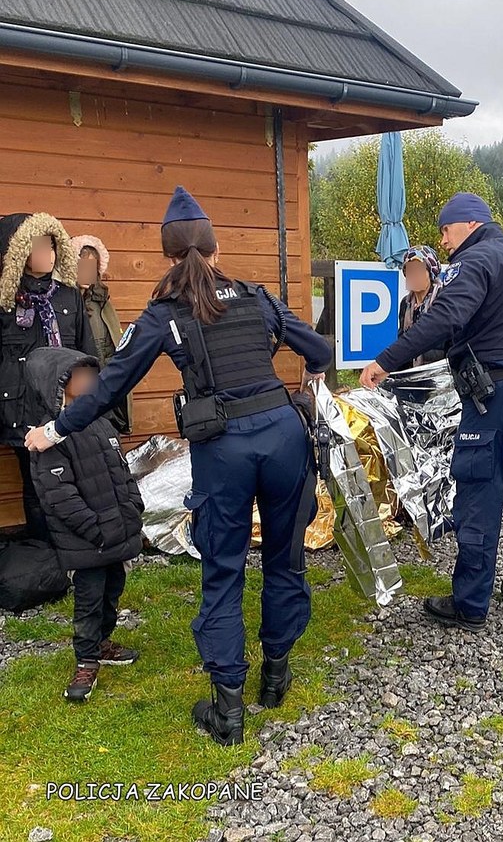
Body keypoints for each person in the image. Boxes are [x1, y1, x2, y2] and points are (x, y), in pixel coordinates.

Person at [26, 187, 332, 746]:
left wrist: (53, 430)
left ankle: (229, 709)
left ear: (169, 257)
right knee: (286, 559)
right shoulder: (255, 298)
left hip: (225, 448)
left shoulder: (163, 316)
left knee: (223, 570)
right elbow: (320, 350)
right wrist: (308, 377)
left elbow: (111, 385)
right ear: (215, 250)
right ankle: (276, 674)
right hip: (285, 436)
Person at [360, 192, 503, 631]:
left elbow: (444, 318)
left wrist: (386, 359)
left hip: (494, 393)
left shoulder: (476, 261)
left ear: (468, 224)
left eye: (446, 229)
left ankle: (470, 603)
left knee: (479, 492)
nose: (443, 240)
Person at [26, 348, 143, 702]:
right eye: (82, 376)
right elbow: (59, 498)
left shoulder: (102, 423)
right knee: (89, 600)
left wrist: (133, 508)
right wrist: (96, 529)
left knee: (113, 590)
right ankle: (86, 660)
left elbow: (121, 472)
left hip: (115, 535)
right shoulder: (49, 438)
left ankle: (103, 642)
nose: (92, 381)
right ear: (61, 384)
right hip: (88, 541)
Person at [0, 212, 96, 541]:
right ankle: (45, 551)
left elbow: (87, 351)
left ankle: (79, 548)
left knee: (76, 478)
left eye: (51, 245)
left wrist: (93, 399)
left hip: (68, 406)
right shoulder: (4, 301)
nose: (47, 252)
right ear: (18, 252)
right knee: (36, 483)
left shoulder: (67, 296)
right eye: (38, 245)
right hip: (21, 409)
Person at [71, 234, 132, 434]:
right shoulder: (66, 303)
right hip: (80, 385)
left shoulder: (103, 302)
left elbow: (115, 342)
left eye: (92, 267)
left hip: (107, 384)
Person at [396, 245, 445, 368]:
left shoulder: (443, 298)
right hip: (414, 372)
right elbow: (402, 343)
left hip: (441, 372)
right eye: (410, 270)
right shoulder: (405, 304)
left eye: (419, 270)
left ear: (431, 272)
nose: (414, 275)